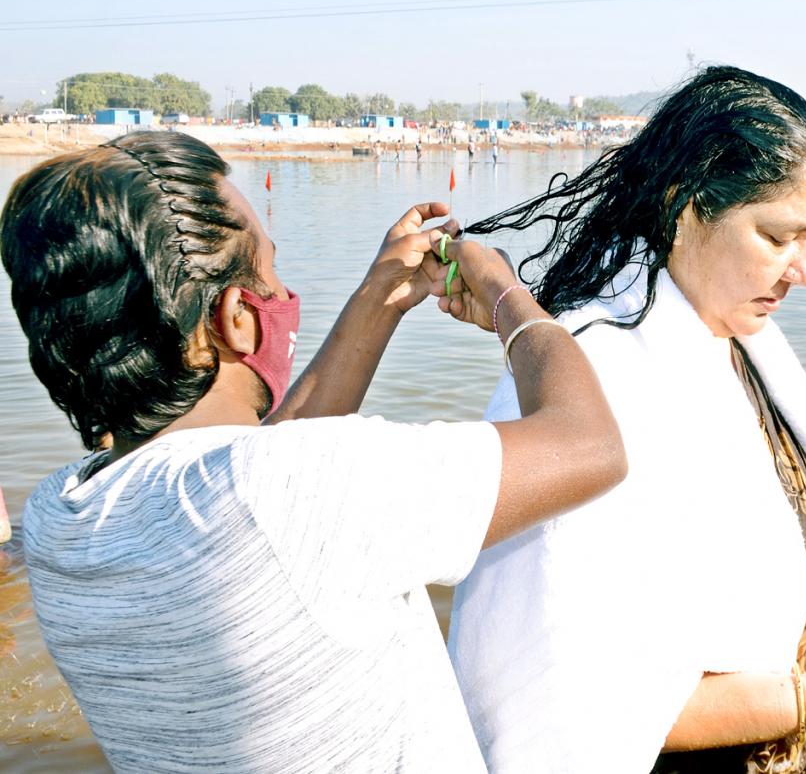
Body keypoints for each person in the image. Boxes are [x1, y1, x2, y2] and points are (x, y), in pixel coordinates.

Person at [0, 131, 626, 773]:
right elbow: (589, 445)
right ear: (236, 317)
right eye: (270, 267)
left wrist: (378, 301)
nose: (283, 291)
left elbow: (254, 476)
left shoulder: (59, 519)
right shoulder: (288, 489)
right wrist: (506, 297)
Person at [447, 66, 806, 774]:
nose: (805, 270)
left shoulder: (745, 346)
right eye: (777, 236)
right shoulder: (590, 380)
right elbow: (543, 695)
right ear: (683, 208)